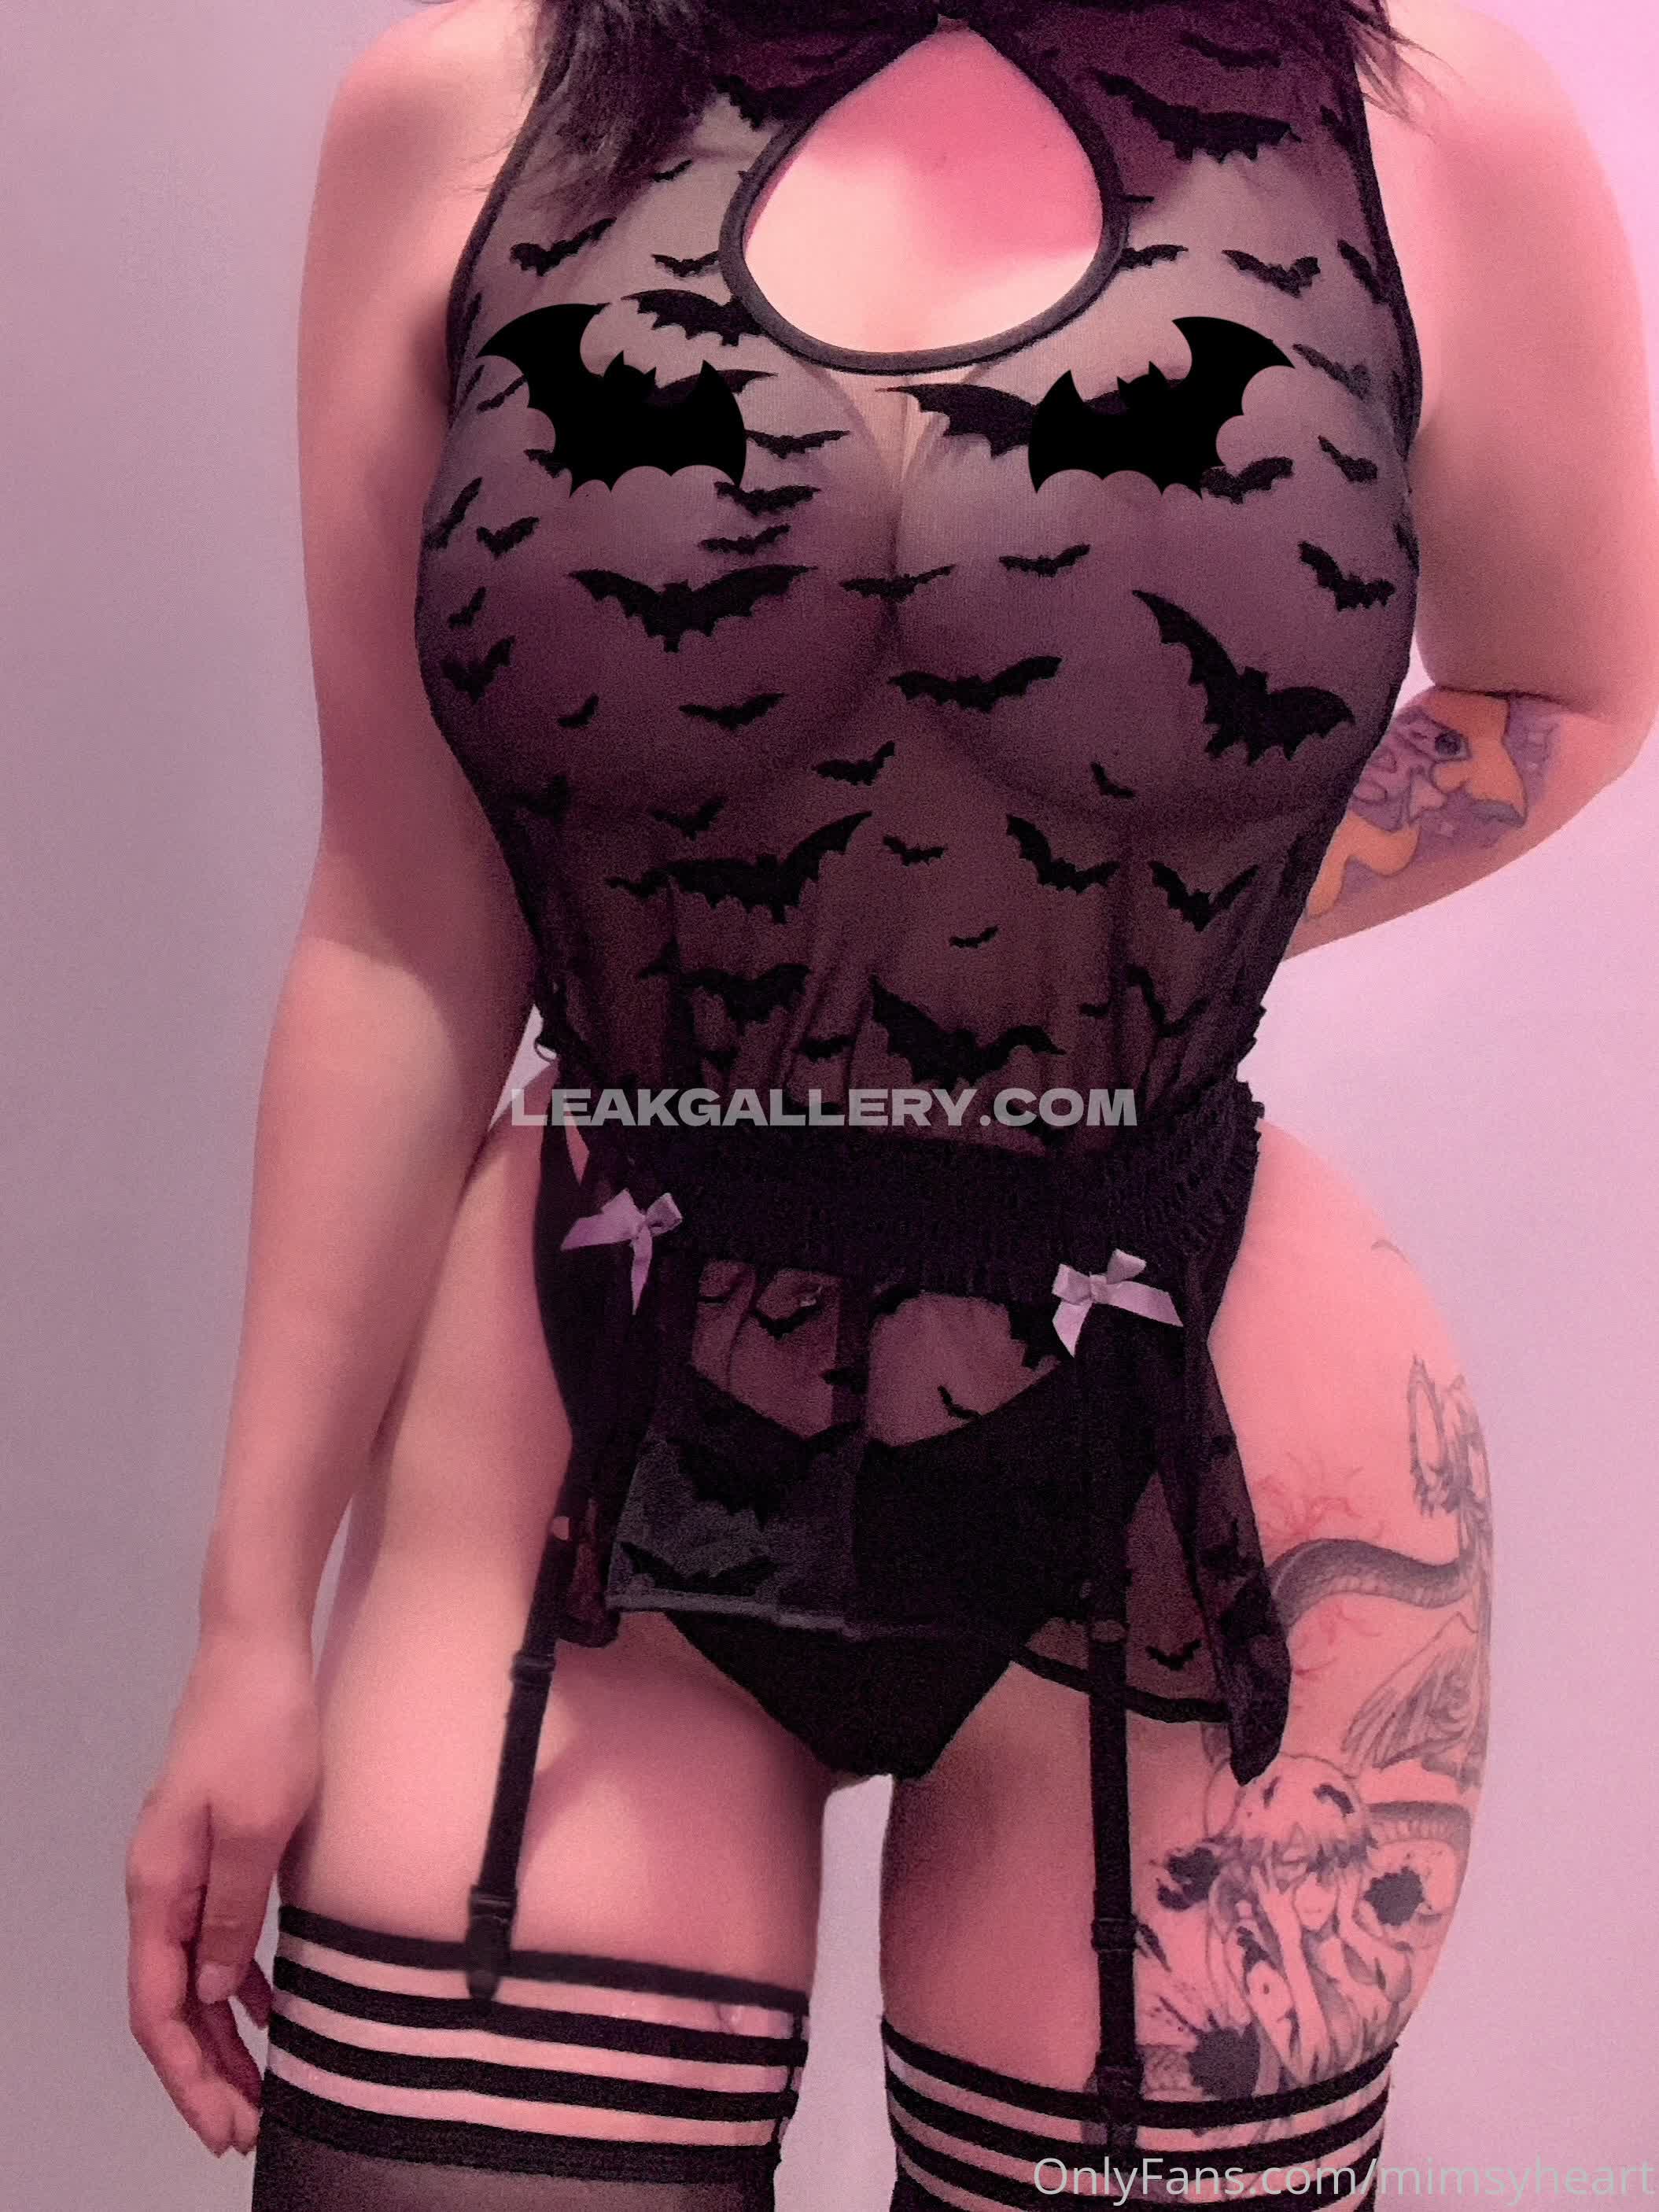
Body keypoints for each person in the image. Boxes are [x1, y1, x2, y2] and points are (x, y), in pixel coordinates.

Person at [125, 0, 1659, 2202]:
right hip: (582, 1431)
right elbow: (400, 922)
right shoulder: (474, 113)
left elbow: (1571, 684)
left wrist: (1156, 911)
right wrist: (247, 1622)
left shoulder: (1424, 119)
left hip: (1193, 1447)